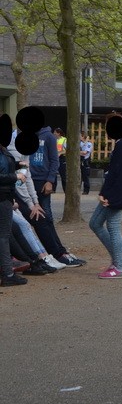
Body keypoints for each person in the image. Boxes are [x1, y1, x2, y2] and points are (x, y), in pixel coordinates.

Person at [21, 116, 85, 267]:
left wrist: (50, 180)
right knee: (41, 219)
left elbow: (55, 160)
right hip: (27, 180)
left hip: (42, 182)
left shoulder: (48, 136)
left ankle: (59, 251)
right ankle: (57, 252)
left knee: (46, 217)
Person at [91, 113, 122, 279]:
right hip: (117, 191)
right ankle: (119, 260)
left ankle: (119, 266)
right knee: (95, 223)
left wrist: (105, 193)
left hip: (115, 193)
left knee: (113, 227)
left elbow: (115, 172)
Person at [0, 119, 28, 287]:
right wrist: (15, 176)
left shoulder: (3, 149)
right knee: (3, 237)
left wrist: (17, 164)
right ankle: (8, 273)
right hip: (2, 198)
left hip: (5, 197)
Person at [54, 127, 67, 192]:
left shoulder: (64, 140)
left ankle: (65, 189)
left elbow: (67, 150)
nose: (54, 133)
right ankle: (53, 189)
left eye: (55, 132)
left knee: (63, 175)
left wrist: (60, 153)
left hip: (62, 158)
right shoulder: (53, 139)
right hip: (54, 158)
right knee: (53, 174)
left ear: (58, 133)